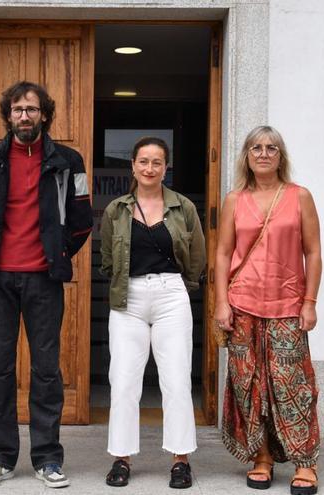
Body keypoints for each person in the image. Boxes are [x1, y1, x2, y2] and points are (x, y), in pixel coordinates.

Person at [0, 81, 93, 489]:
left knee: (45, 371)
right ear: (8, 115)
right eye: (18, 109)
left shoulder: (68, 161)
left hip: (44, 280)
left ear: (44, 114)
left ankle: (48, 458)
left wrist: (56, 255)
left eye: (32, 109)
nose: (25, 116)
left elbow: (82, 221)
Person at [213, 125, 322, 495]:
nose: (263, 153)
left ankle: (305, 461)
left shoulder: (299, 197)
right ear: (246, 155)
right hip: (243, 304)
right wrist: (221, 302)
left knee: (294, 385)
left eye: (271, 148)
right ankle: (262, 456)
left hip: (288, 305)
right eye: (256, 148)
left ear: (281, 156)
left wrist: (310, 302)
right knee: (249, 385)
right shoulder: (234, 200)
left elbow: (314, 252)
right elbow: (224, 253)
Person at [99, 137, 206, 489]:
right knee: (124, 381)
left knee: (175, 380)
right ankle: (122, 458)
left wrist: (178, 287)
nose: (149, 168)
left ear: (166, 167)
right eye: (143, 161)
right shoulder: (117, 209)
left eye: (157, 162)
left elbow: (196, 259)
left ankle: (180, 460)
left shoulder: (184, 207)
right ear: (132, 165)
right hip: (128, 297)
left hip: (171, 296)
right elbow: (108, 260)